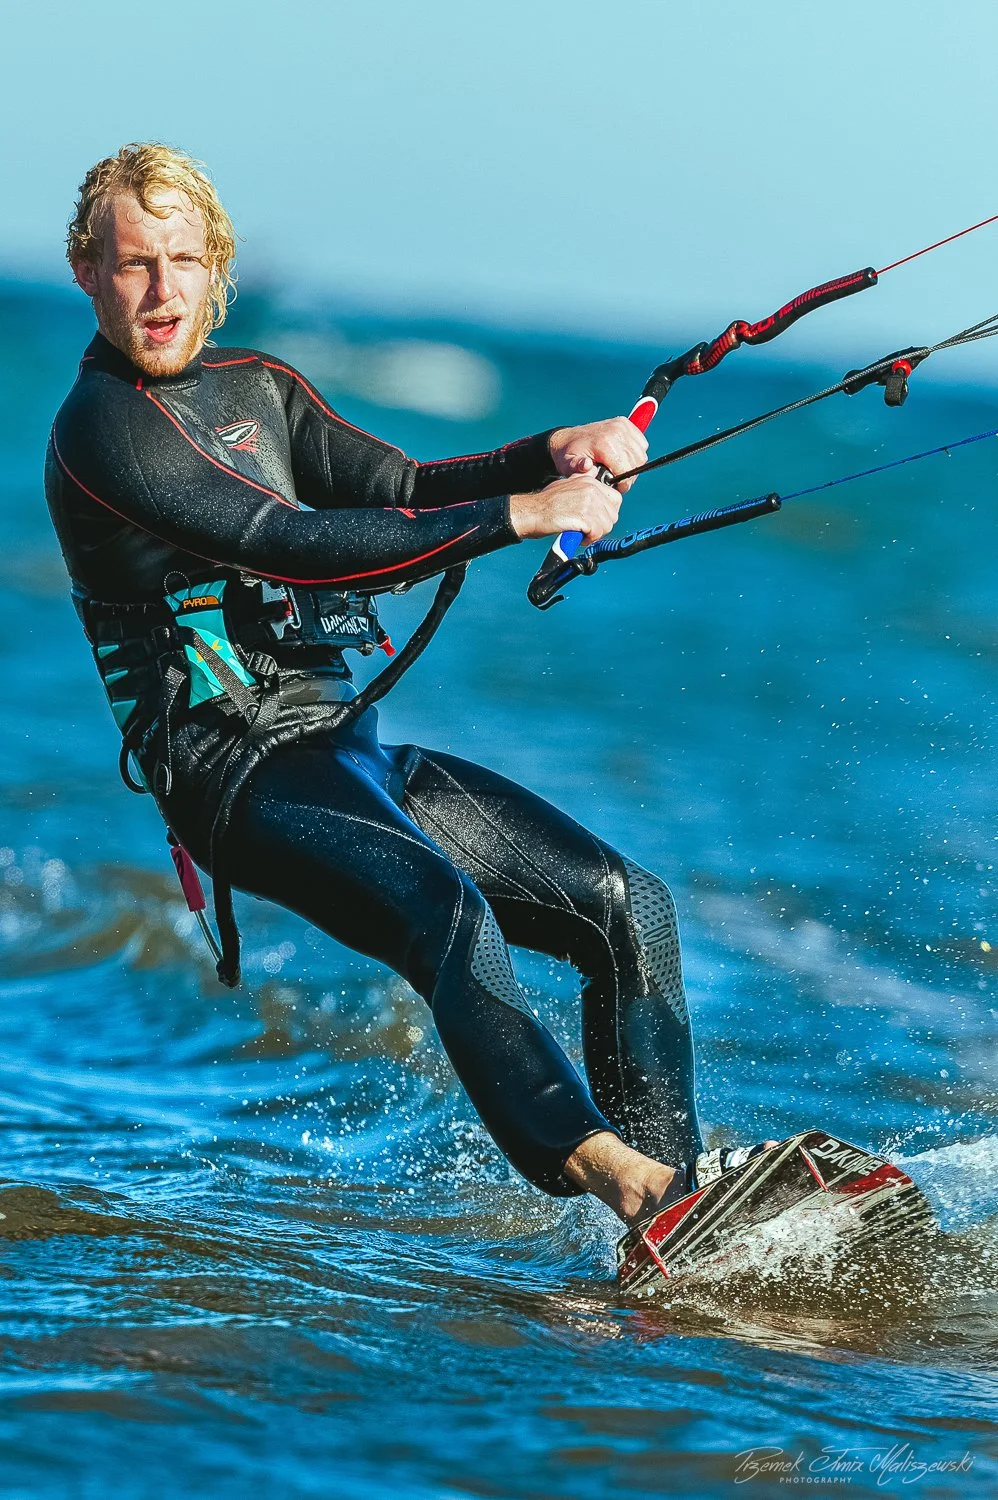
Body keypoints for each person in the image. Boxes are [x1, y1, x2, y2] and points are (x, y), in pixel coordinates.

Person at [46, 143, 767, 1230]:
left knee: (627, 908)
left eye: (184, 260)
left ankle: (673, 1233)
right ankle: (631, 1185)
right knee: (447, 909)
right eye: (134, 263)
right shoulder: (100, 433)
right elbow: (288, 542)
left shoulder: (262, 391)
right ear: (87, 272)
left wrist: (550, 453)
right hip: (231, 778)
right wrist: (522, 518)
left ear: (217, 268)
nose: (160, 291)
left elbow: (403, 488)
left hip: (342, 747)